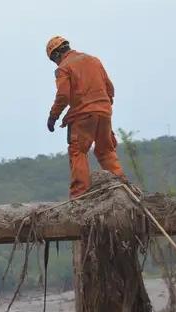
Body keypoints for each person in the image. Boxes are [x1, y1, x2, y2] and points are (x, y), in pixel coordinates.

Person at [45, 36, 126, 198]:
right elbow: (110, 88)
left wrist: (53, 116)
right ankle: (122, 188)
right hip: (104, 112)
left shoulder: (64, 68)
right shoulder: (94, 60)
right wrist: (102, 108)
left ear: (56, 55)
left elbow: (63, 96)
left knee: (78, 151)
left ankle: (79, 195)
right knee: (106, 150)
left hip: (83, 116)